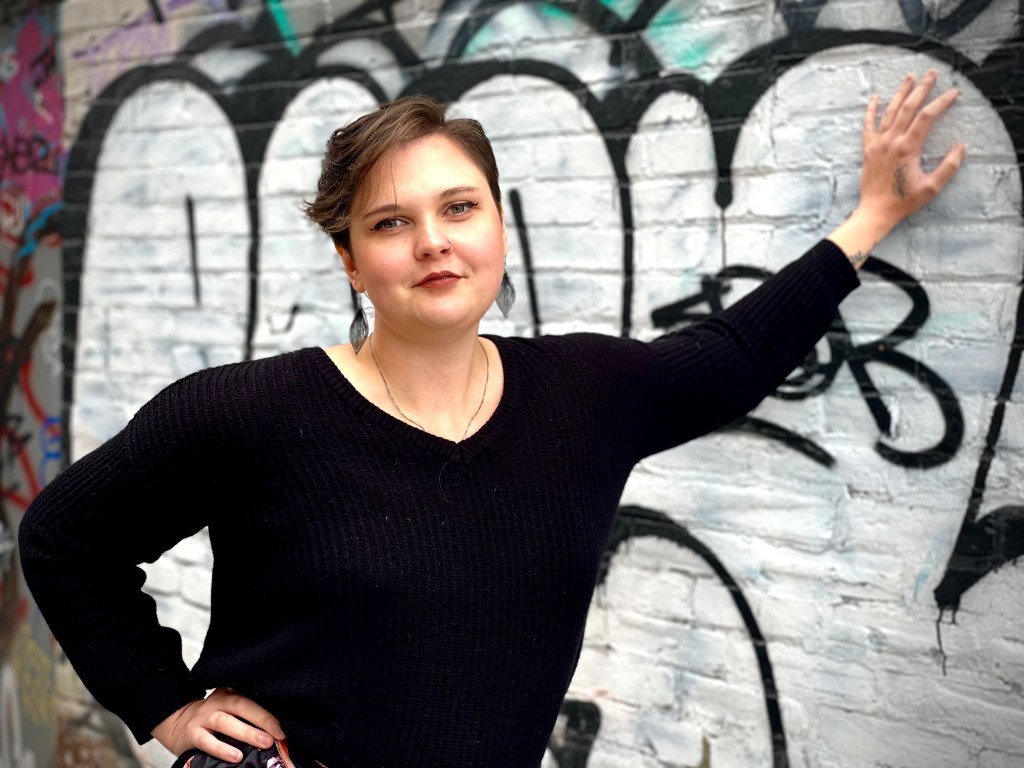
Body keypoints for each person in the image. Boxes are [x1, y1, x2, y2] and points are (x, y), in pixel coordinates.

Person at [18, 69, 965, 768]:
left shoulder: (582, 395)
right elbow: (64, 539)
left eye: (459, 208)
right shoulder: (249, 413)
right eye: (390, 223)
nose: (433, 242)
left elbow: (735, 355)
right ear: (350, 260)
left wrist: (868, 222)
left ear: (499, 227)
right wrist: (166, 704)